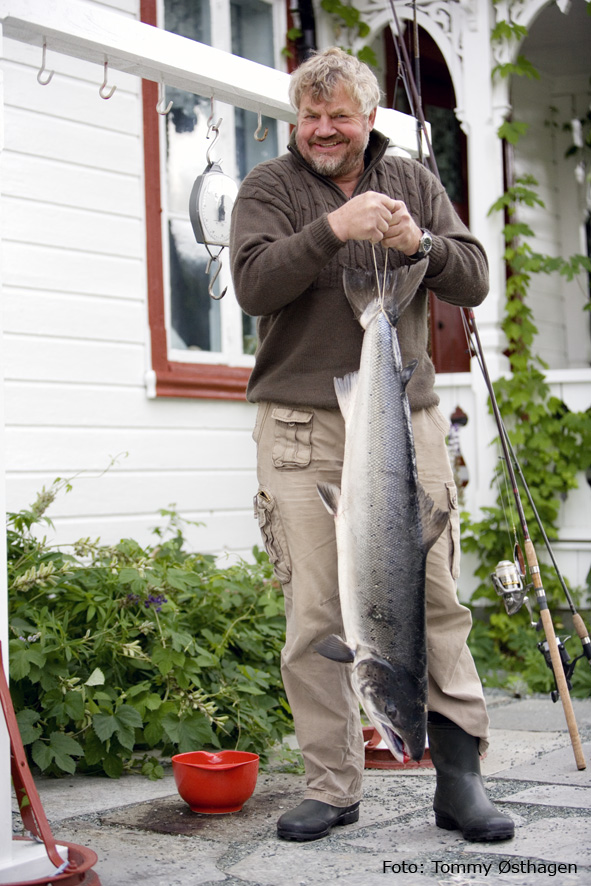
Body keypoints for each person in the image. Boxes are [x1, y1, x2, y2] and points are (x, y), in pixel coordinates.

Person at [230, 47, 514, 844]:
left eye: (338, 115)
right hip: (300, 422)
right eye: (310, 116)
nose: (322, 129)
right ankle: (331, 783)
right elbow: (254, 284)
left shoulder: (414, 179)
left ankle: (458, 781)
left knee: (435, 599)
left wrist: (418, 241)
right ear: (298, 120)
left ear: (368, 119)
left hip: (401, 414)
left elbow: (471, 276)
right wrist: (331, 230)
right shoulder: (268, 189)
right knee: (317, 609)